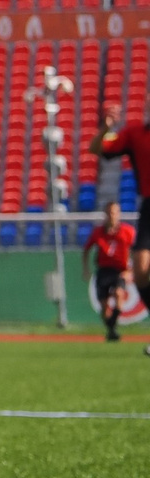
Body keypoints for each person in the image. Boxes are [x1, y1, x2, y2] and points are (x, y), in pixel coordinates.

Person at [91, 105, 150, 354]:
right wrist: (105, 129)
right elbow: (96, 149)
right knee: (140, 271)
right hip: (149, 206)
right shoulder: (134, 133)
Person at [88, 203, 137, 345]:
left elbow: (137, 251)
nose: (112, 215)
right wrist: (86, 269)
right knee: (104, 307)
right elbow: (87, 249)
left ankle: (112, 328)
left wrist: (130, 271)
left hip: (119, 271)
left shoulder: (128, 231)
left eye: (115, 212)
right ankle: (112, 330)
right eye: (109, 212)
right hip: (104, 271)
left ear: (119, 214)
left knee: (119, 295)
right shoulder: (98, 232)